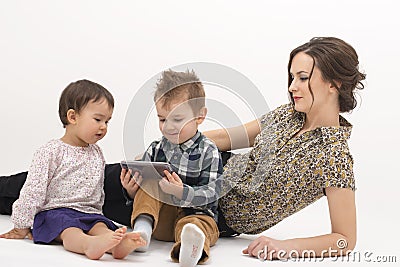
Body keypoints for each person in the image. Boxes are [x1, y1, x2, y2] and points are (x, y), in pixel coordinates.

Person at [0, 37, 365, 260]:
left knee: (74, 208)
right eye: (291, 77)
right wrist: (162, 154)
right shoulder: (287, 115)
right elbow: (221, 139)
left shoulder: (333, 157)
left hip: (209, 210)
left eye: (303, 77)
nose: (292, 86)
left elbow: (344, 240)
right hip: (182, 170)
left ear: (333, 83)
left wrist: (286, 247)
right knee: (65, 173)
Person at [0, 80, 145, 260]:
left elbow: (98, 190)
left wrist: (98, 214)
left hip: (88, 212)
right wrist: (21, 224)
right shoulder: (51, 151)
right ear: (73, 117)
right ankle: (88, 245)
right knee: (70, 230)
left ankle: (115, 245)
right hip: (56, 211)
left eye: (107, 121)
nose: (104, 127)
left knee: (101, 226)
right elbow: (33, 190)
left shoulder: (97, 153)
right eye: (98, 119)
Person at [120, 70, 222, 267]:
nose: (168, 127)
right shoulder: (156, 148)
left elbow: (211, 194)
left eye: (177, 120)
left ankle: (189, 248)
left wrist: (182, 192)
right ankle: (142, 231)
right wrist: (132, 191)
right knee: (149, 181)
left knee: (199, 226)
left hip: (195, 215)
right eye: (162, 119)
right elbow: (145, 193)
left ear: (200, 116)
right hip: (161, 220)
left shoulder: (209, 150)